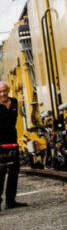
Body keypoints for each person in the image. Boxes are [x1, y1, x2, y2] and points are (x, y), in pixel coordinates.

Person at [0, 81, 25, 209]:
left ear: (8, 90)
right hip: (0, 143)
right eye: (0, 92)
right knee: (1, 172)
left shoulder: (14, 102)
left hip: (13, 141)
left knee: (14, 171)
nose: (3, 94)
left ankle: (10, 200)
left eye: (5, 90)